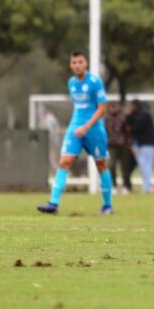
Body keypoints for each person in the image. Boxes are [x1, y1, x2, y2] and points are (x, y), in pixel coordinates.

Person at [37, 51, 113, 215]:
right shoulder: (71, 82)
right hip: (75, 127)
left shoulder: (95, 81)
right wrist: (78, 126)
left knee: (101, 165)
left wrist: (86, 127)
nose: (77, 65)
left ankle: (107, 205)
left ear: (85, 64)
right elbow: (78, 107)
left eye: (80, 62)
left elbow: (102, 108)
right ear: (71, 65)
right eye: (74, 62)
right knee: (64, 162)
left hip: (94, 129)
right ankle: (53, 204)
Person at [126, 99, 154, 194]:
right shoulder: (138, 116)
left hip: (147, 144)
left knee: (145, 165)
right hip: (141, 144)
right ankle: (146, 186)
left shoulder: (144, 115)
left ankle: (147, 187)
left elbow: (135, 128)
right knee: (144, 165)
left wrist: (130, 116)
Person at [105, 101, 135, 194]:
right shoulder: (105, 119)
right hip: (111, 145)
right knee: (111, 165)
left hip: (123, 145)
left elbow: (128, 132)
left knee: (125, 167)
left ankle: (126, 186)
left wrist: (130, 144)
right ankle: (113, 185)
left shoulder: (123, 118)